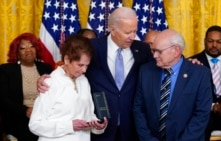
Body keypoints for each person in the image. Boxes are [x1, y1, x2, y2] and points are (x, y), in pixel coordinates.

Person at [37, 7, 153, 141]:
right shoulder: (92, 47)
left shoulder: (143, 49)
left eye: (135, 31)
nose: (133, 36)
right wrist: (45, 80)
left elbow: (154, 75)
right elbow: (70, 68)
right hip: (98, 126)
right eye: (127, 32)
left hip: (131, 127)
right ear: (112, 29)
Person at [133, 29, 212, 141]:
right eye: (154, 50)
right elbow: (138, 109)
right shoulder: (145, 71)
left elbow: (201, 114)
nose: (154, 55)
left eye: (159, 51)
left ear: (176, 51)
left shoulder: (200, 74)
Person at [29, 35, 107, 141]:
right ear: (66, 59)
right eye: (80, 65)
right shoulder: (50, 82)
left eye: (87, 65)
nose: (84, 70)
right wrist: (69, 126)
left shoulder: (83, 81)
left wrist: (97, 125)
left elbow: (88, 115)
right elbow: (35, 125)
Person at [0, 33, 53, 141]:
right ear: (17, 53)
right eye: (23, 48)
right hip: (19, 117)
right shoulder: (7, 70)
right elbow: (3, 99)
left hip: (46, 116)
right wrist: (25, 110)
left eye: (31, 46)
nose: (28, 50)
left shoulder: (46, 68)